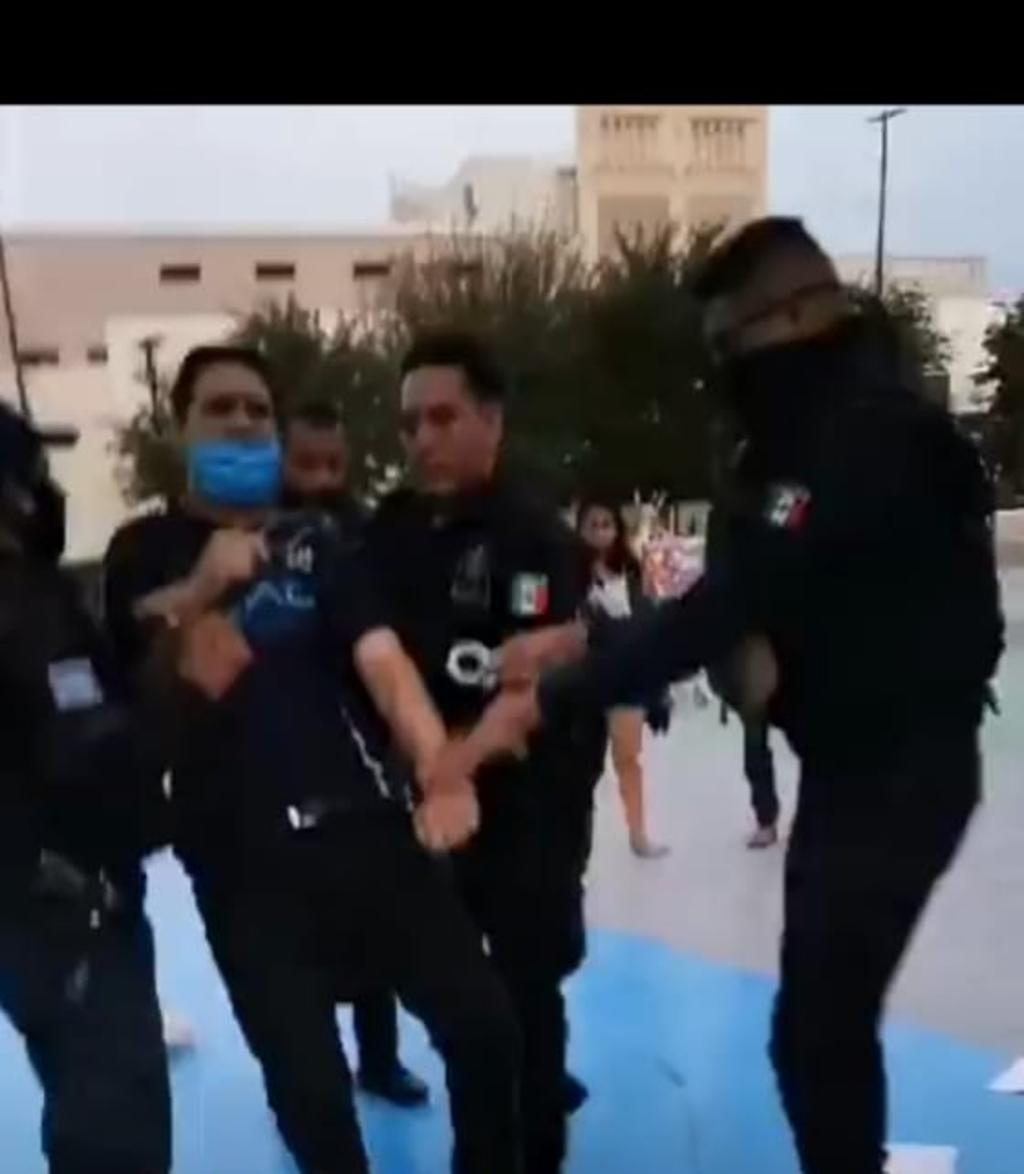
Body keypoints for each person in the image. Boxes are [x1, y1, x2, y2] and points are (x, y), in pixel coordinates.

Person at [436, 218, 1005, 1174]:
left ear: (800, 315)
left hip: (903, 774)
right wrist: (596, 641)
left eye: (733, 343)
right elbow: (733, 603)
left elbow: (727, 607)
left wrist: (555, 691)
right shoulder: (796, 444)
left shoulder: (869, 437)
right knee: (817, 1030)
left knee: (816, 1032)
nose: (725, 370)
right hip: (850, 770)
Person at [102, 344, 522, 1174]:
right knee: (312, 1097)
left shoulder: (317, 541)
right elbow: (155, 688)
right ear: (181, 430)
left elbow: (384, 662)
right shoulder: (144, 549)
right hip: (244, 862)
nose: (242, 423)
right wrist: (202, 590)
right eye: (220, 408)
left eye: (258, 411)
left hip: (370, 830)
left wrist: (439, 769)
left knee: (487, 1032)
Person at [365, 330, 606, 1172]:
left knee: (528, 1004)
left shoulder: (535, 537)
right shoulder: (389, 532)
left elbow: (536, 685)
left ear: (492, 420)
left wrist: (457, 767)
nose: (422, 440)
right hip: (430, 815)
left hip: (527, 814)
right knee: (466, 1017)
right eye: (409, 424)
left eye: (443, 417)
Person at [0, 404, 171, 1174]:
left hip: (26, 914)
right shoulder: (26, 604)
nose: (50, 491)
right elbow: (89, 757)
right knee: (115, 1132)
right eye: (36, 473)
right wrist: (175, 693)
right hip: (70, 912)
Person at [281, 397, 429, 1109]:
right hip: (288, 764)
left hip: (368, 758)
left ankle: (379, 1060)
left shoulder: (364, 537)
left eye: (333, 464)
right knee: (298, 939)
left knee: (376, 922)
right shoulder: (257, 541)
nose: (321, 479)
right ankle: (314, 1076)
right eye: (305, 464)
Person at [576, 495, 669, 858]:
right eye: (593, 525)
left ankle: (638, 833)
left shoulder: (632, 572)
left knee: (627, 760)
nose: (600, 532)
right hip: (584, 677)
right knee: (582, 767)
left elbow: (649, 625)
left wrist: (657, 684)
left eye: (607, 524)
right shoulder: (570, 574)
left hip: (626, 677)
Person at [706, 445, 782, 849]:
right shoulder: (726, 515)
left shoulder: (785, 503)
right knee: (756, 731)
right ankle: (766, 815)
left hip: (787, 627)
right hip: (751, 636)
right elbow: (718, 576)